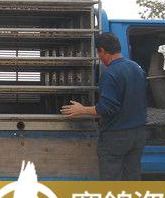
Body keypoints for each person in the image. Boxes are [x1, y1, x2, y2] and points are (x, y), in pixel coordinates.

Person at [61, 32, 147, 180]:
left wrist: (82, 109)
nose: (99, 57)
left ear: (102, 51)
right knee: (132, 176)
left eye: (98, 53)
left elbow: (107, 108)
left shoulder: (110, 73)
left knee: (111, 179)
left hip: (116, 135)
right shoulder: (137, 68)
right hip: (138, 134)